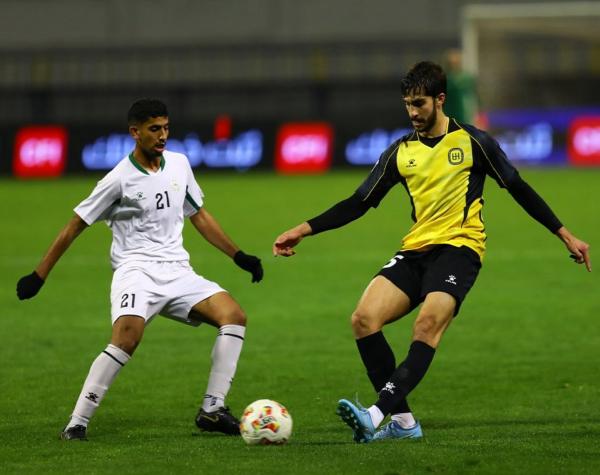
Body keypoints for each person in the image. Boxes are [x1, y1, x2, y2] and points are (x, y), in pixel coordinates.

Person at [272, 61, 591, 443]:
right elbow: (359, 202)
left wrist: (564, 234)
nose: (412, 112)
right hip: (415, 251)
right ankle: (405, 424)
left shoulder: (474, 142)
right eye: (407, 104)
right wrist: (303, 229)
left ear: (440, 100)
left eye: (419, 103)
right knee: (363, 319)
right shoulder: (400, 152)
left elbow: (518, 188)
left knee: (426, 326)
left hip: (460, 249)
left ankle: (375, 414)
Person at [16, 98, 264, 441]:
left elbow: (199, 215)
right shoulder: (119, 179)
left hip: (178, 271)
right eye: (154, 129)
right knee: (126, 339)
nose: (162, 135)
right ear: (135, 132)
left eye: (166, 128)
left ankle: (212, 409)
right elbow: (74, 225)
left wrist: (238, 255)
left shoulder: (179, 164)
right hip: (136, 272)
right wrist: (39, 275)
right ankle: (77, 423)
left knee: (234, 316)